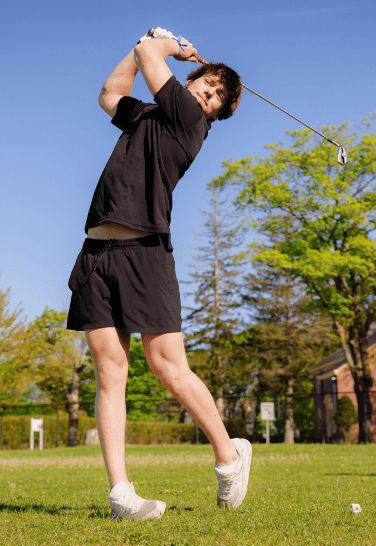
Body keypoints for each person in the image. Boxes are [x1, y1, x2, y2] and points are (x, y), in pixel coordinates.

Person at [66, 28, 250, 520]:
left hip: (147, 253)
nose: (204, 94)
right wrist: (138, 47)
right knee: (110, 372)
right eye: (203, 83)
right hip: (96, 253)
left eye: (214, 95)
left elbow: (152, 55)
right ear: (190, 80)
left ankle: (229, 457)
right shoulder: (148, 115)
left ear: (215, 112)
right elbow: (109, 94)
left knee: (168, 368)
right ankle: (121, 495)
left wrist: (163, 41)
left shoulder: (189, 122)